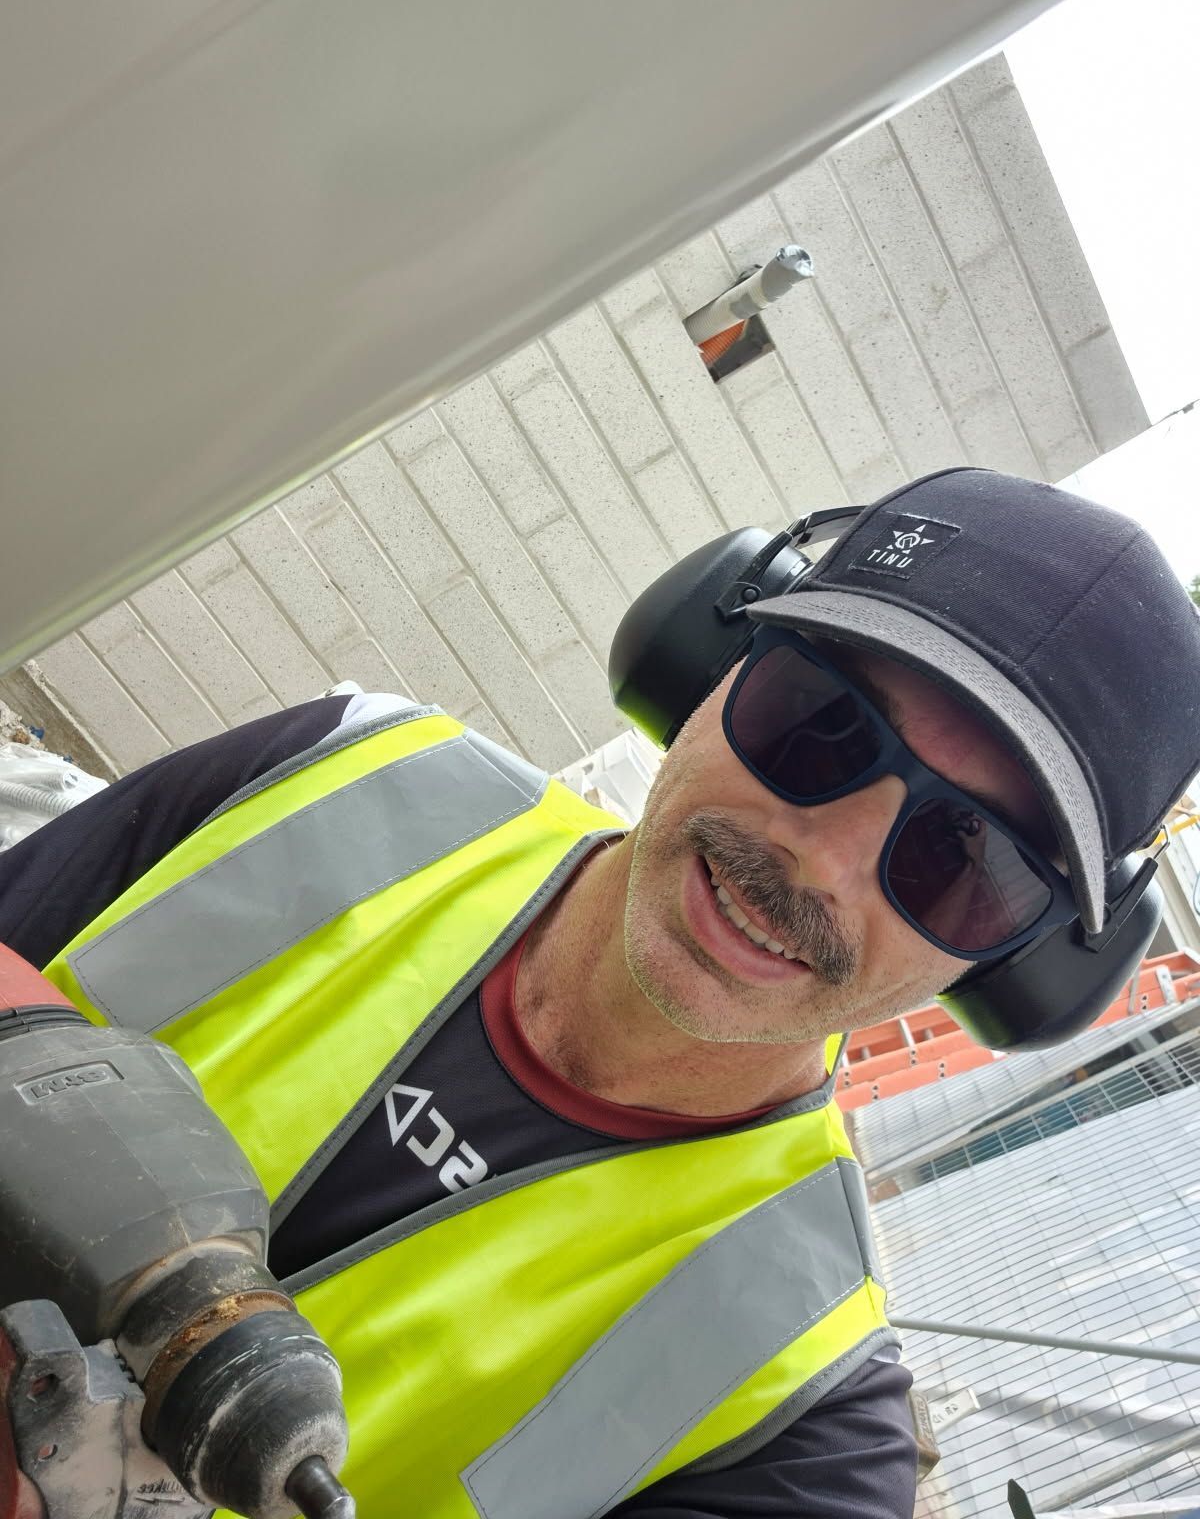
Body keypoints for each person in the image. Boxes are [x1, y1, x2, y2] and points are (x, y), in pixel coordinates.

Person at [2, 466, 1198, 1519]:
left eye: (965, 862)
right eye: (821, 725)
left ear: (1024, 967)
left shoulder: (800, 1426)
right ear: (711, 662)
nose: (820, 866)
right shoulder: (348, 768)